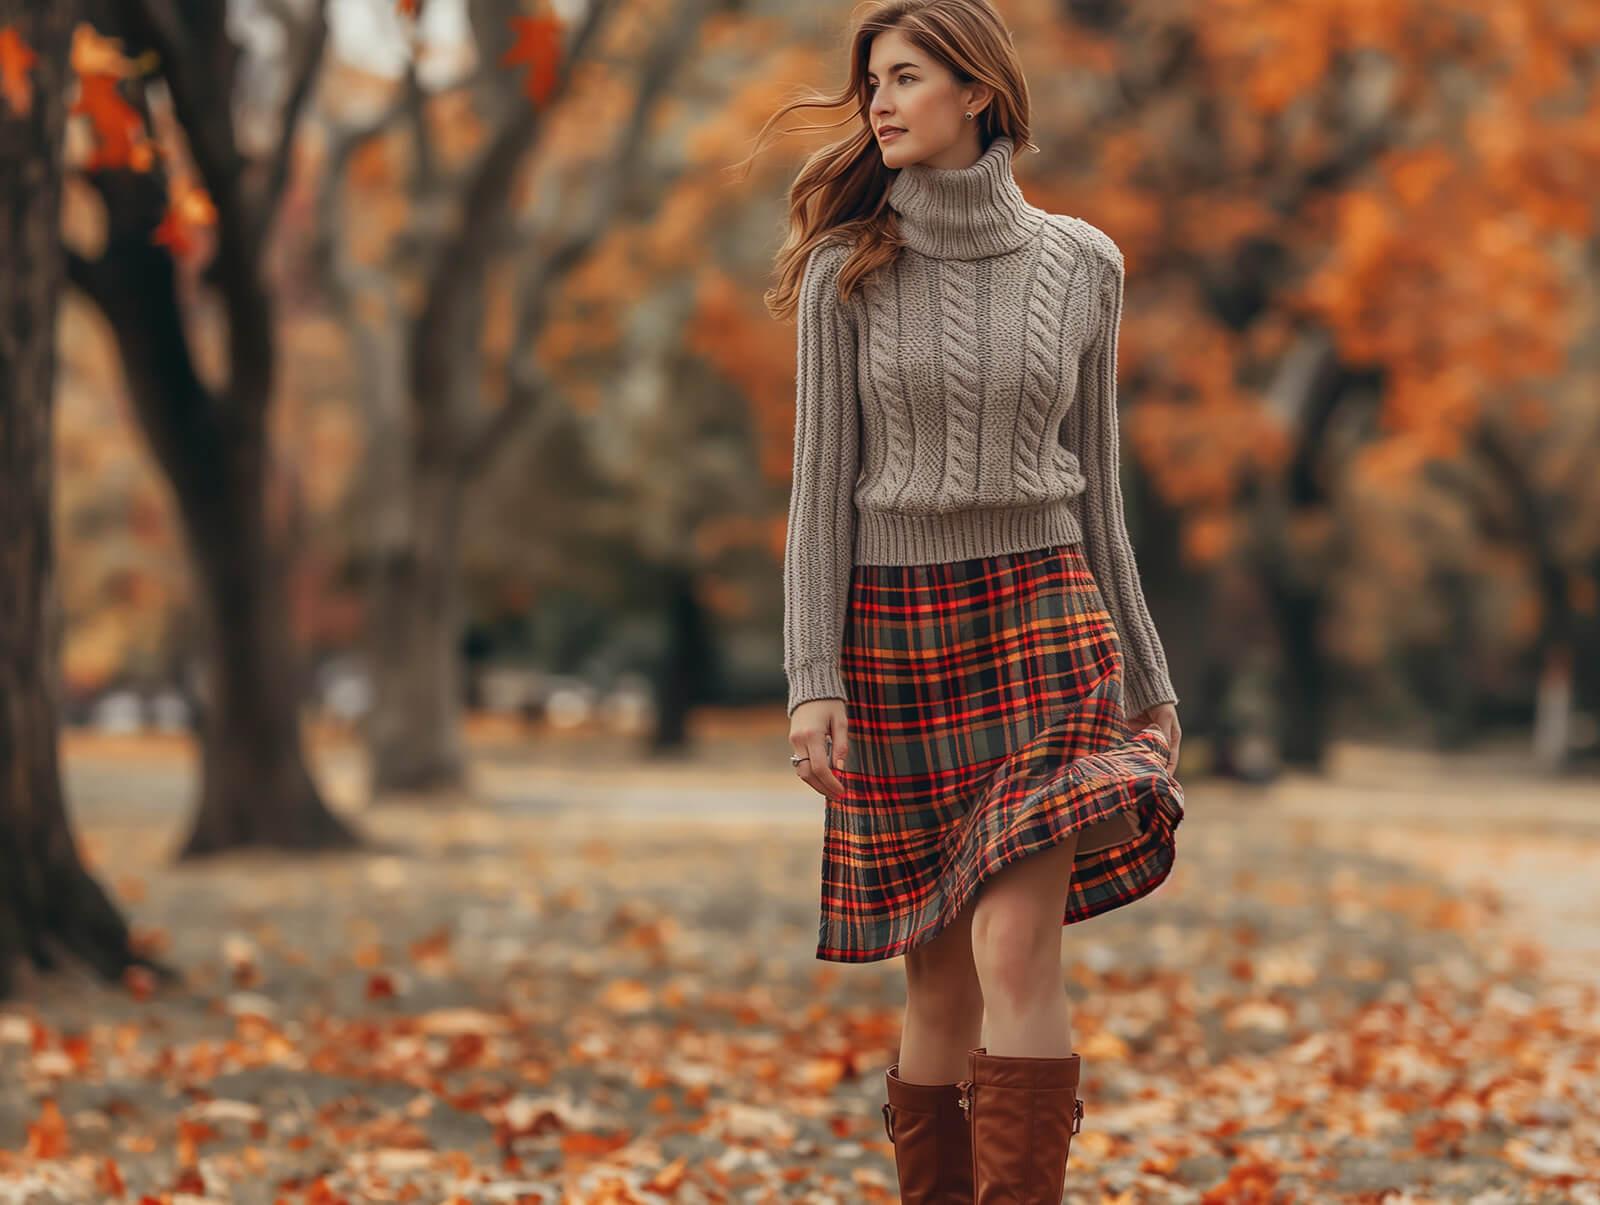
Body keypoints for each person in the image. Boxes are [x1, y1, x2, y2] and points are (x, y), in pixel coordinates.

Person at [751, 1, 1186, 1199]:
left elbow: (1099, 495)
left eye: (903, 77)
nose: (878, 104)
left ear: (976, 91)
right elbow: (818, 500)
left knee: (1011, 941)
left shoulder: (1083, 264)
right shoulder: (846, 266)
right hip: (894, 637)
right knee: (936, 978)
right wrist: (811, 681)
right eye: (870, 84)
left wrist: (1148, 678)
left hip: (1045, 621)